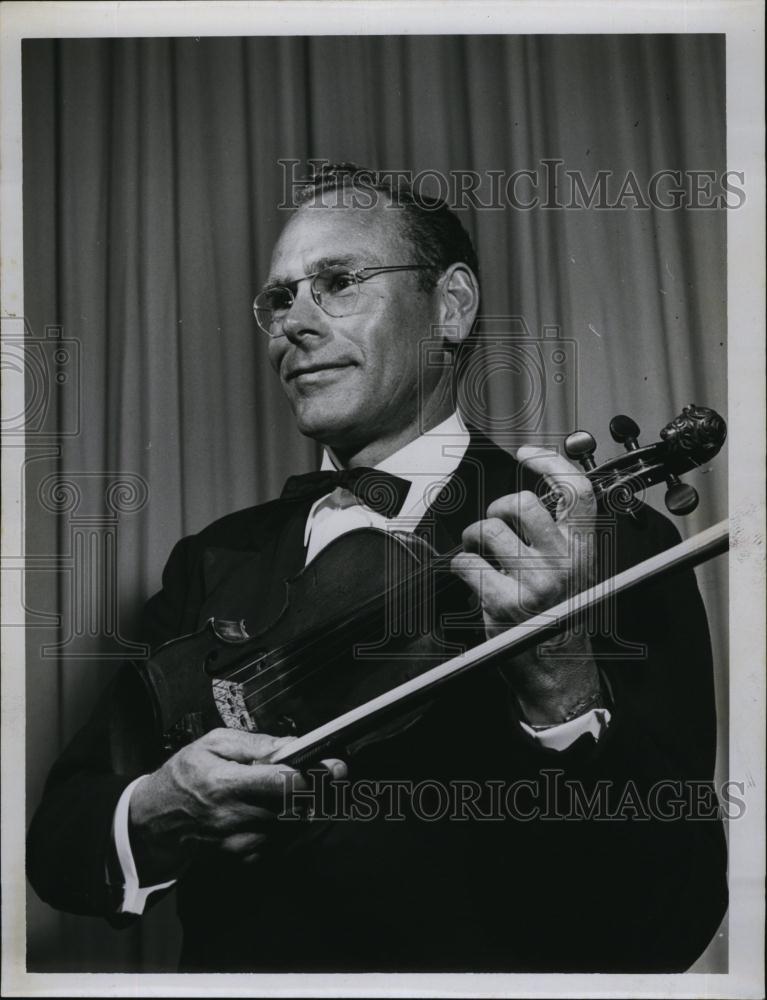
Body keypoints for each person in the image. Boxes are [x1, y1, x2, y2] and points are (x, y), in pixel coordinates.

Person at [27, 163, 727, 973]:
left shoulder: (598, 540)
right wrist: (154, 809)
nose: (294, 323)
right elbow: (62, 840)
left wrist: (561, 685)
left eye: (337, 282)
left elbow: (670, 917)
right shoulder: (215, 560)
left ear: (451, 306)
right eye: (279, 298)